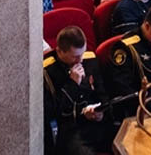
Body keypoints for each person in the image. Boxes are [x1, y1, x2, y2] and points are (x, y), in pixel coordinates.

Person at [42, 25, 112, 154]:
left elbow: (102, 94)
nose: (80, 60)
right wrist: (72, 84)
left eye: (82, 54)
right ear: (59, 51)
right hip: (68, 129)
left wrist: (100, 113)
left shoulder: (90, 59)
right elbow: (51, 112)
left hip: (94, 122)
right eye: (75, 57)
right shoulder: (47, 71)